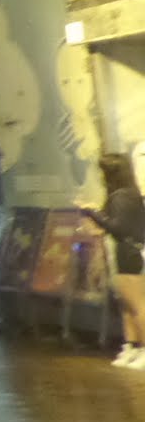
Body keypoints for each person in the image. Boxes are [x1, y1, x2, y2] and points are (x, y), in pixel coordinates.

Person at [83, 153, 145, 368]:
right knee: (126, 305)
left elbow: (118, 228)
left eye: (103, 172)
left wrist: (91, 212)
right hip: (123, 253)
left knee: (137, 304)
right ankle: (132, 347)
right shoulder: (126, 195)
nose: (101, 177)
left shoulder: (123, 196)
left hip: (130, 253)